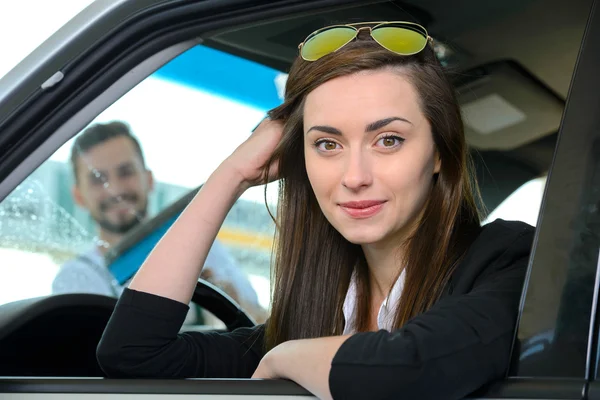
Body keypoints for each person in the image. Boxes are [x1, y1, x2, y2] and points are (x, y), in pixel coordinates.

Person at [96, 21, 535, 400]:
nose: (354, 176)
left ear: (439, 151)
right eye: (328, 144)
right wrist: (230, 175)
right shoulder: (313, 315)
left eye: (389, 140)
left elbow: (407, 370)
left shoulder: (510, 260)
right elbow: (134, 356)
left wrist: (285, 357)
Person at [52, 121, 264, 321]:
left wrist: (230, 301)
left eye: (126, 173)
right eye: (98, 179)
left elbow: (260, 321)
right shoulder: (76, 279)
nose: (115, 190)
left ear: (150, 180)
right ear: (78, 196)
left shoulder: (203, 247)